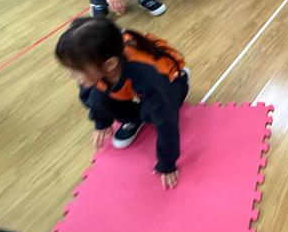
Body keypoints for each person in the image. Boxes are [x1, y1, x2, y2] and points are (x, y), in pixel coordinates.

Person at [56, 17, 189, 190]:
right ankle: (136, 118)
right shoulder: (97, 64)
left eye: (76, 70)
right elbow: (94, 97)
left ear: (109, 64)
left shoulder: (147, 76)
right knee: (98, 97)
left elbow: (166, 121)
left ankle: (182, 79)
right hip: (128, 79)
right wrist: (101, 122)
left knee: (155, 111)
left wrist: (167, 163)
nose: (71, 75)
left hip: (170, 80)